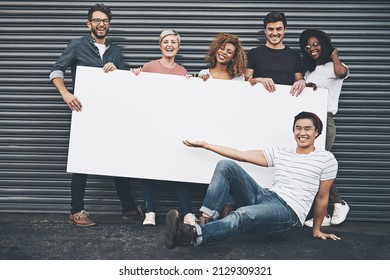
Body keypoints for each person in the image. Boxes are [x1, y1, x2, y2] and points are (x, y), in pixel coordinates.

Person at [164, 111, 341, 249]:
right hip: (267, 197)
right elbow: (242, 155)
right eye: (298, 128)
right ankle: (206, 222)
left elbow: (322, 197)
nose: (302, 133)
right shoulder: (281, 153)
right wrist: (207, 145)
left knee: (242, 214)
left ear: (317, 132)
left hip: (287, 212)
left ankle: (191, 236)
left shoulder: (326, 159)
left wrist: (316, 230)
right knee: (226, 165)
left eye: (307, 128)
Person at [49, 3, 143, 226]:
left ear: (109, 24)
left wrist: (129, 71)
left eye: (105, 21)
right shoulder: (77, 45)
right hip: (85, 112)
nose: (102, 24)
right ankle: (76, 211)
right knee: (83, 161)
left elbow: (126, 80)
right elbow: (56, 69)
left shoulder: (115, 50)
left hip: (112, 115)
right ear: (89, 23)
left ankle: (129, 208)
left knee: (118, 158)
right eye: (97, 20)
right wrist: (65, 94)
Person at [131, 30, 196, 227]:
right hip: (151, 125)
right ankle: (150, 212)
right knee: (149, 169)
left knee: (179, 168)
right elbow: (137, 92)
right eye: (166, 41)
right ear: (160, 45)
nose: (169, 45)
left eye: (173, 42)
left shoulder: (182, 71)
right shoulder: (149, 67)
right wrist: (135, 76)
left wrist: (191, 84)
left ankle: (186, 212)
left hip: (174, 127)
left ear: (178, 46)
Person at [299, 28, 350, 227]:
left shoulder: (334, 66)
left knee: (318, 166)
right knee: (314, 167)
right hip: (309, 123)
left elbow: (342, 73)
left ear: (324, 44)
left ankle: (338, 203)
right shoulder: (309, 71)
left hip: (325, 121)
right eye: (308, 46)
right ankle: (326, 213)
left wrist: (334, 56)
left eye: (316, 44)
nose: (312, 48)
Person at [245, 11, 306, 96]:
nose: (274, 33)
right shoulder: (253, 53)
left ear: (284, 30)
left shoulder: (294, 55)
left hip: (287, 104)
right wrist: (259, 80)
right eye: (270, 29)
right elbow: (246, 79)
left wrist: (301, 82)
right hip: (259, 102)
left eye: (278, 29)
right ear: (265, 31)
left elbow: (299, 78)